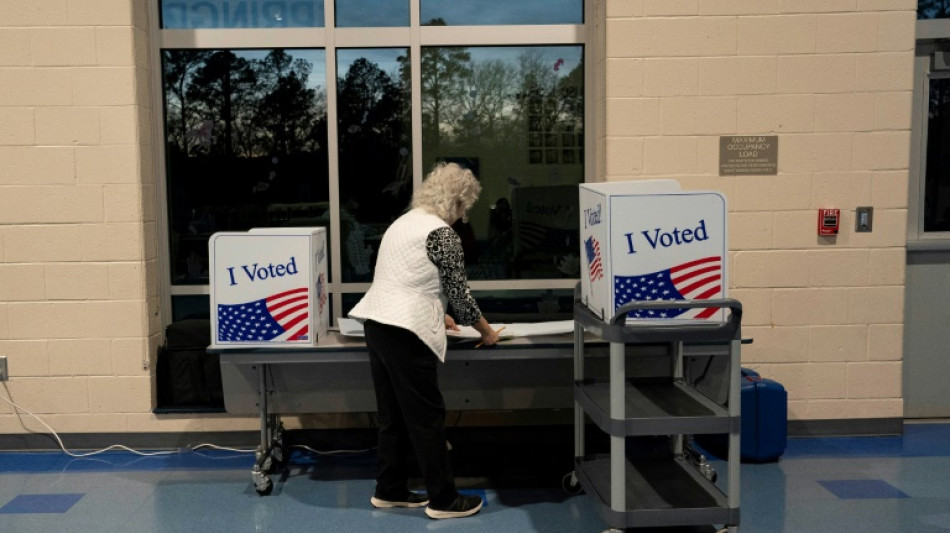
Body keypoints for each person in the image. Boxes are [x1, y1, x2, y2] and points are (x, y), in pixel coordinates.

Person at [348, 162, 500, 520]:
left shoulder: (403, 222)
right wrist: (487, 331)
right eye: (465, 208)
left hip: (378, 323)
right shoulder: (442, 234)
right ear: (458, 202)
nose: (464, 217)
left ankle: (390, 489)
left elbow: (406, 278)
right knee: (426, 418)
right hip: (406, 333)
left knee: (392, 416)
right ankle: (443, 499)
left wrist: (437, 312)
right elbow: (460, 298)